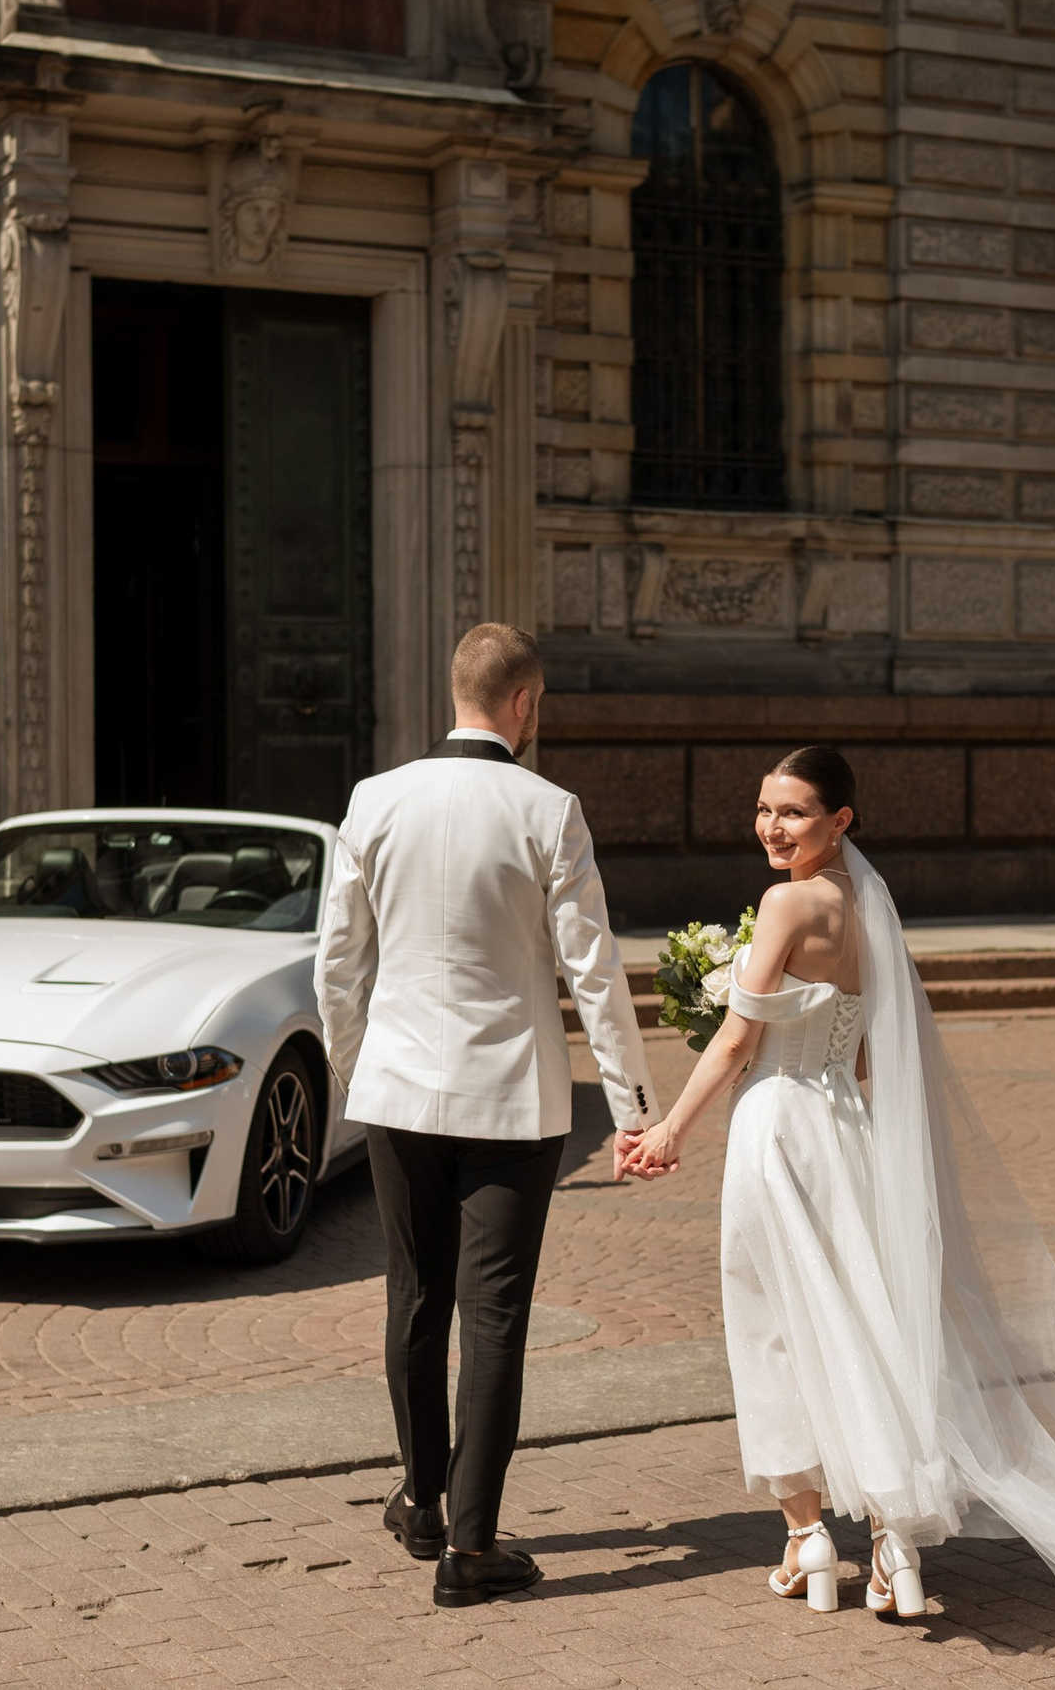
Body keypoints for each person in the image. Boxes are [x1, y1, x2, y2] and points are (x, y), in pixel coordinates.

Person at [619, 746, 1055, 1616]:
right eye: (764, 808)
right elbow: (873, 1049)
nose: (772, 825)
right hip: (844, 1126)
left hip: (776, 1126)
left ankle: (810, 1537)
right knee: (860, 1321)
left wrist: (668, 1130)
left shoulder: (786, 901)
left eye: (794, 811)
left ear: (840, 819)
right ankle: (892, 1541)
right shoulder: (866, 908)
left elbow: (735, 1041)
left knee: (775, 1326)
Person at [317, 624, 653, 1608]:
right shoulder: (549, 809)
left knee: (413, 1295)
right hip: (511, 1097)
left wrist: (353, 1068)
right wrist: (632, 1106)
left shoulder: (374, 800)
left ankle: (421, 1498)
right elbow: (593, 971)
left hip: (400, 1090)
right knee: (494, 1314)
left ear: (456, 691)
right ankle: (469, 1544)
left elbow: (338, 958)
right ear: (525, 704)